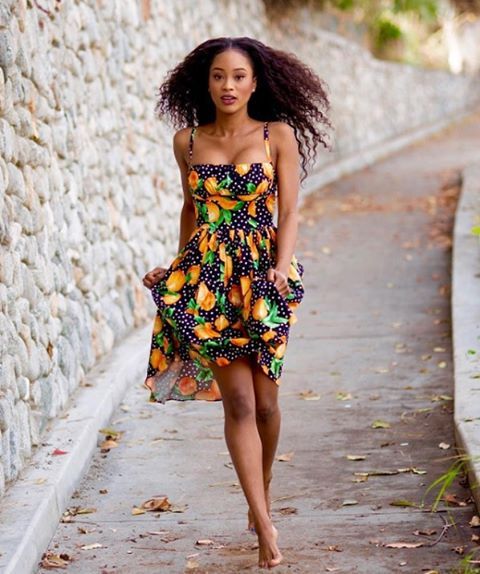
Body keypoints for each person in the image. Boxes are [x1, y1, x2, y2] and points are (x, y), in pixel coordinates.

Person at [141, 36, 331, 569]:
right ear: (206, 81)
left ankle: (262, 484)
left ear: (255, 83)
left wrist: (279, 267)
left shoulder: (277, 136)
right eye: (220, 75)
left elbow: (289, 211)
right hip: (207, 282)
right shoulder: (188, 141)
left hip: (262, 276)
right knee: (240, 403)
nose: (229, 85)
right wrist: (177, 266)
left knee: (267, 403)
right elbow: (190, 210)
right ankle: (263, 521)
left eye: (239, 76)